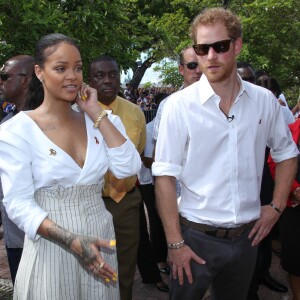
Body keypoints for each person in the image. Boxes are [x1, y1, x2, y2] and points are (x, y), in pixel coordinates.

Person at [152, 7, 298, 300]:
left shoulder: (264, 101)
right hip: (194, 238)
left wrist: (277, 206)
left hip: (247, 238)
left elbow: (287, 153)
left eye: (219, 47)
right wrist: (175, 244)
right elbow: (164, 176)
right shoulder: (178, 106)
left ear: (237, 45)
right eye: (202, 49)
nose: (210, 56)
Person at [0, 33, 141, 299]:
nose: (72, 76)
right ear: (40, 72)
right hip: (52, 244)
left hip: (100, 239)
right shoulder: (17, 131)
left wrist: (95, 112)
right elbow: (17, 202)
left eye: (77, 68)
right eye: (61, 68)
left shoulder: (99, 120)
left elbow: (128, 168)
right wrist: (71, 240)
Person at [88, 55, 146, 300]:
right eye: (99, 76)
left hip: (125, 202)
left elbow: (138, 153)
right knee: (91, 263)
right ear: (89, 80)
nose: (107, 80)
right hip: (90, 202)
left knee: (125, 264)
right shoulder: (76, 113)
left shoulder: (135, 113)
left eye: (113, 74)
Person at [237, 62, 289, 298]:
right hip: (236, 186)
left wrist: (277, 204)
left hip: (265, 177)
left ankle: (262, 274)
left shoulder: (268, 104)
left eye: (250, 79)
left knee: (264, 231)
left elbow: (287, 151)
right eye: (241, 79)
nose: (246, 84)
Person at [0, 55, 35, 285]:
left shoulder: (47, 125)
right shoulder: (6, 124)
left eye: (4, 76)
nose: (0, 82)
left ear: (24, 81)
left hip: (41, 237)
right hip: (15, 238)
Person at [136, 93, 170, 293]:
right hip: (148, 182)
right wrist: (167, 159)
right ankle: (159, 260)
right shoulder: (149, 129)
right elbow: (146, 161)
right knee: (156, 220)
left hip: (173, 181)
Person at [268, 118, 300, 300]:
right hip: (294, 208)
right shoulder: (290, 130)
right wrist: (294, 189)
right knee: (296, 260)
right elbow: (275, 161)